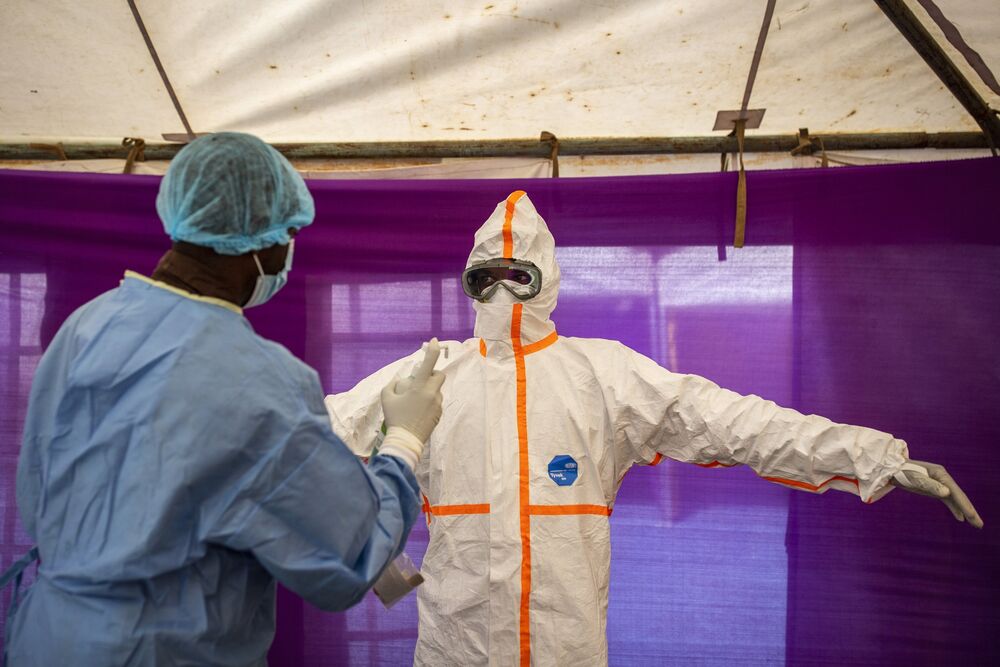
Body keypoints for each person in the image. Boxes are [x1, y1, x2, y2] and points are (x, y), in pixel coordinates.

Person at [325, 190, 982, 667]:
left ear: (545, 280)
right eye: (485, 276)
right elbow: (306, 440)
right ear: (468, 282)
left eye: (516, 274)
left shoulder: (603, 378)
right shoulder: (430, 375)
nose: (501, 290)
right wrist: (374, 552)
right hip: (454, 650)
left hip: (567, 652)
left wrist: (878, 458)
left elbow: (740, 424)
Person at [8, 132, 445, 666]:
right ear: (259, 241)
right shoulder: (260, 381)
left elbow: (40, 485)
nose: (289, 248)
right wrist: (403, 439)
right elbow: (349, 558)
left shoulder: (87, 327)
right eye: (288, 232)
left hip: (47, 637)